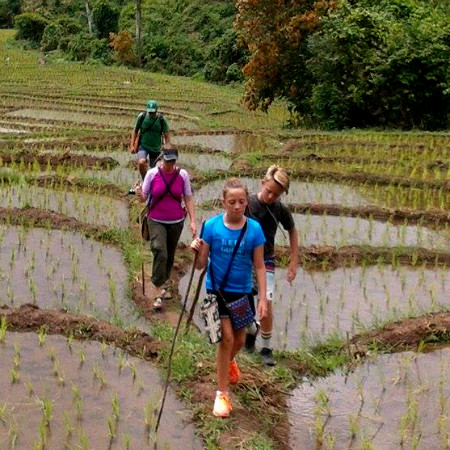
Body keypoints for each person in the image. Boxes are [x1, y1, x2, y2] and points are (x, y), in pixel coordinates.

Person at [190, 178, 268, 418]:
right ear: (224, 202)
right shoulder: (211, 226)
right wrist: (195, 249)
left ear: (247, 202)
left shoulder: (254, 229)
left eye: (241, 201)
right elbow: (201, 264)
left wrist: (263, 299)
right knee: (226, 338)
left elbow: (260, 266)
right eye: (232, 202)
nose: (237, 206)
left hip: (242, 291)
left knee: (240, 340)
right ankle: (221, 394)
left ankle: (229, 363)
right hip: (217, 291)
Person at [244, 165, 298, 366]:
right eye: (269, 191)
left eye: (276, 194)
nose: (270, 197)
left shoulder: (280, 209)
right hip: (244, 259)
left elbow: (292, 231)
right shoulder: (247, 203)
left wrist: (293, 261)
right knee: (245, 299)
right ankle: (250, 334)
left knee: (266, 303)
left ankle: (266, 347)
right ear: (262, 183)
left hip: (266, 260)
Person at [135, 147, 196, 309]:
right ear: (162, 159)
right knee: (159, 250)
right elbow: (144, 199)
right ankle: (157, 289)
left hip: (176, 221)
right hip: (155, 219)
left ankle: (164, 285)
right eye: (167, 161)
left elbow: (188, 198)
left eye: (173, 161)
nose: (170, 164)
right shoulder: (152, 174)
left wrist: (193, 221)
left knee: (169, 255)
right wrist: (139, 193)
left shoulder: (182, 175)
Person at [130, 99, 171, 180]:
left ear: (156, 110)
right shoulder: (142, 117)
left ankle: (151, 184)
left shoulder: (162, 120)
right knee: (141, 162)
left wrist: (167, 149)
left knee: (154, 170)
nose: (151, 114)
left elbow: (166, 135)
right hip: (143, 145)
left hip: (156, 148)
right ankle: (145, 180)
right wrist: (131, 145)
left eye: (153, 112)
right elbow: (135, 131)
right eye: (150, 112)